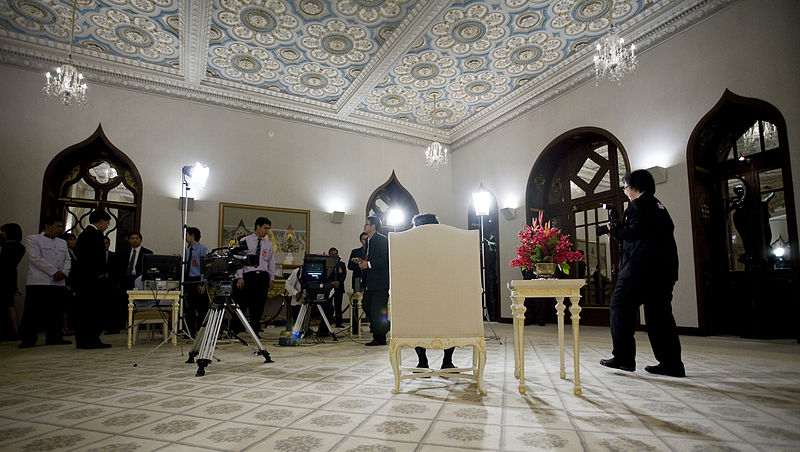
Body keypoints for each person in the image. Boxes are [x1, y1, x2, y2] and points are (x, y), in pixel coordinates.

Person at [599, 169, 685, 377]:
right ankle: (672, 364)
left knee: (619, 307)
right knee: (660, 316)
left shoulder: (638, 205)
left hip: (640, 269)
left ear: (636, 186)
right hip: (664, 270)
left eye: (626, 186)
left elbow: (634, 232)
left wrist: (614, 231)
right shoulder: (658, 205)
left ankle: (623, 357)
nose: (625, 190)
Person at [410, 213, 456, 369]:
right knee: (450, 324)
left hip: (420, 296)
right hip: (444, 295)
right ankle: (447, 362)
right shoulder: (449, 246)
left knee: (417, 325)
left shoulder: (410, 248)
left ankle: (423, 362)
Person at [18, 216, 71, 348]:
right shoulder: (33, 239)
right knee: (33, 312)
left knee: (56, 311)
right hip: (39, 281)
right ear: (47, 226)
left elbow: (67, 259)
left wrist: (64, 272)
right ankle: (29, 339)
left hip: (58, 282)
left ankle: (55, 337)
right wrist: (54, 271)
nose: (60, 229)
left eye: (61, 226)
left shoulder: (62, 242)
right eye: (58, 226)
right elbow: (35, 258)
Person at [73, 210, 112, 349]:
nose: (107, 226)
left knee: (85, 311)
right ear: (101, 221)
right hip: (92, 279)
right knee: (92, 311)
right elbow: (96, 258)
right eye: (107, 223)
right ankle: (90, 340)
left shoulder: (84, 234)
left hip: (84, 279)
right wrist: (102, 272)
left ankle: (84, 340)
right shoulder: (94, 235)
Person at [235, 217, 274, 336]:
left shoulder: (268, 244)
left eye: (268, 229)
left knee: (259, 304)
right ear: (258, 227)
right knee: (242, 303)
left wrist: (271, 278)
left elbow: (271, 262)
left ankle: (255, 329)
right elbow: (239, 260)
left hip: (262, 276)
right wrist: (240, 276)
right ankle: (237, 328)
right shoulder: (245, 241)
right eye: (265, 228)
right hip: (248, 276)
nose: (266, 231)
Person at [355, 216, 390, 346]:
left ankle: (380, 337)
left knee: (378, 309)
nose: (364, 226)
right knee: (366, 305)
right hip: (371, 281)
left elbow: (386, 259)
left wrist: (368, 264)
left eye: (367, 224)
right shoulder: (369, 241)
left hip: (381, 282)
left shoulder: (382, 240)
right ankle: (385, 326)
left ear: (373, 226)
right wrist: (362, 263)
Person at [0, 223, 25, 341]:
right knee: (10, 304)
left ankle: (11, 331)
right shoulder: (20, 246)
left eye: (3, 231)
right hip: (10, 277)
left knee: (8, 305)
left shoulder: (7, 247)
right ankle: (15, 330)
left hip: (4, 277)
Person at [184, 227, 209, 336]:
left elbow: (205, 267)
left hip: (198, 280)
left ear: (192, 236)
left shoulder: (202, 249)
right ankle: (190, 331)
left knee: (202, 308)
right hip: (188, 281)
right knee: (189, 308)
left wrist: (203, 282)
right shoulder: (187, 250)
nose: (185, 237)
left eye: (187, 235)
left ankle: (201, 331)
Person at [328, 247, 347, 328]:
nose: (334, 255)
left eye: (335, 254)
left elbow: (344, 275)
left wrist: (339, 281)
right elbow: (326, 275)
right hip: (329, 288)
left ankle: (338, 323)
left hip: (339, 287)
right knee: (328, 306)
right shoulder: (327, 264)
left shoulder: (341, 264)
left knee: (338, 305)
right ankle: (328, 322)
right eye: (332, 254)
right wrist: (332, 282)